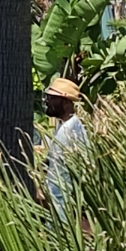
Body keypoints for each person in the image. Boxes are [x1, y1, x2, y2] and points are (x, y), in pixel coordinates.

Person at [44, 76, 88, 217]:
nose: (47, 101)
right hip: (57, 199)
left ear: (64, 102)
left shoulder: (70, 130)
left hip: (64, 202)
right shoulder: (64, 125)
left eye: (52, 98)